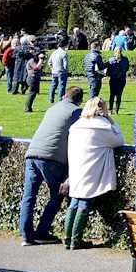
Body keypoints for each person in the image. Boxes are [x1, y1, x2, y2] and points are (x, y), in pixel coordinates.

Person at [19, 87, 84, 245]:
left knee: (29, 196)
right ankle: (42, 231)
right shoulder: (76, 112)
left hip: (32, 153)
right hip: (52, 158)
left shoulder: (53, 108)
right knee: (58, 194)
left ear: (64, 95)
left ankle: (26, 235)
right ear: (80, 100)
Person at [64, 96, 125, 249]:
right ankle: (75, 241)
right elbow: (119, 140)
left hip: (77, 166)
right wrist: (110, 118)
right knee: (85, 200)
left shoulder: (77, 125)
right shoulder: (102, 126)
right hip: (92, 167)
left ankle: (68, 238)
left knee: (75, 200)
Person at [106, 48, 130, 114]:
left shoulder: (111, 60)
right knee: (119, 95)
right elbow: (126, 68)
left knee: (112, 95)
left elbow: (108, 70)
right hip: (121, 79)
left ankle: (110, 110)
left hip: (113, 79)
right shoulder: (125, 59)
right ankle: (117, 110)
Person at [47, 40, 69, 104]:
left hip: (54, 71)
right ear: (65, 45)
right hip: (61, 71)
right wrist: (66, 70)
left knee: (53, 85)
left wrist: (52, 68)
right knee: (61, 86)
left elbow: (49, 62)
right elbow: (65, 65)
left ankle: (51, 98)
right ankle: (60, 99)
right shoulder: (64, 53)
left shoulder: (54, 52)